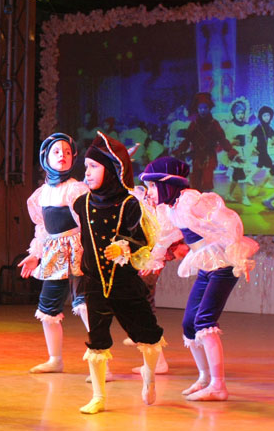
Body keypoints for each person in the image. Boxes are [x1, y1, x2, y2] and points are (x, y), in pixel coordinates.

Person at [142, 156, 257, 402]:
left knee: (205, 321)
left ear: (166, 184)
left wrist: (236, 251)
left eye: (152, 185)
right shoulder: (172, 208)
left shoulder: (189, 201)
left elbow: (228, 220)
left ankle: (218, 385)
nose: (149, 191)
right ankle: (205, 377)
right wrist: (154, 260)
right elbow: (166, 237)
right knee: (189, 323)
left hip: (223, 263)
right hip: (208, 264)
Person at [72, 132, 165, 415]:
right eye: (86, 166)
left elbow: (143, 238)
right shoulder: (81, 204)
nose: (87, 172)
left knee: (147, 335)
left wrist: (123, 246)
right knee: (97, 340)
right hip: (94, 283)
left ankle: (149, 377)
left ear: (111, 170)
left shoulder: (129, 204)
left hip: (123, 282)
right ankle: (98, 396)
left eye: (94, 166)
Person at [18, 133, 89, 374]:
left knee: (85, 304)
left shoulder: (76, 189)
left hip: (78, 249)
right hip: (53, 252)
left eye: (67, 152)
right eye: (57, 151)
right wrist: (35, 254)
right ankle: (55, 360)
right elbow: (42, 228)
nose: (62, 156)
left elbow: (86, 224)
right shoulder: (41, 194)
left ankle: (101, 363)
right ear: (45, 157)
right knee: (47, 307)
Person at [174, 92, 238, 192]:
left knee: (207, 181)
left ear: (209, 108)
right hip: (196, 156)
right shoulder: (194, 124)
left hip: (209, 156)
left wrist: (230, 150)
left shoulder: (214, 124)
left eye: (205, 108)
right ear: (197, 109)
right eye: (200, 108)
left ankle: (208, 199)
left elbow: (222, 139)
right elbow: (187, 140)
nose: (202, 110)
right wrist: (179, 151)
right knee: (196, 182)